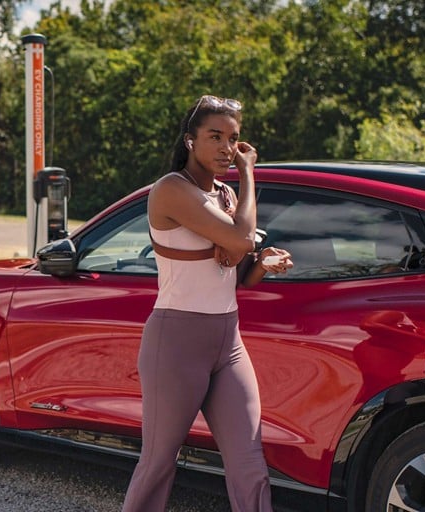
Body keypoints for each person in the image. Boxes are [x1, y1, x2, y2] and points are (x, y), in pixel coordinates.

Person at [121, 94, 292, 512]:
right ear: (189, 140)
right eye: (214, 136)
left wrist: (262, 265)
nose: (226, 148)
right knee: (159, 462)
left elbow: (237, 271)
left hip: (227, 343)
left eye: (233, 139)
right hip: (176, 342)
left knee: (250, 463)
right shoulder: (171, 190)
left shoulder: (224, 197)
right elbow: (239, 240)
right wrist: (249, 175)